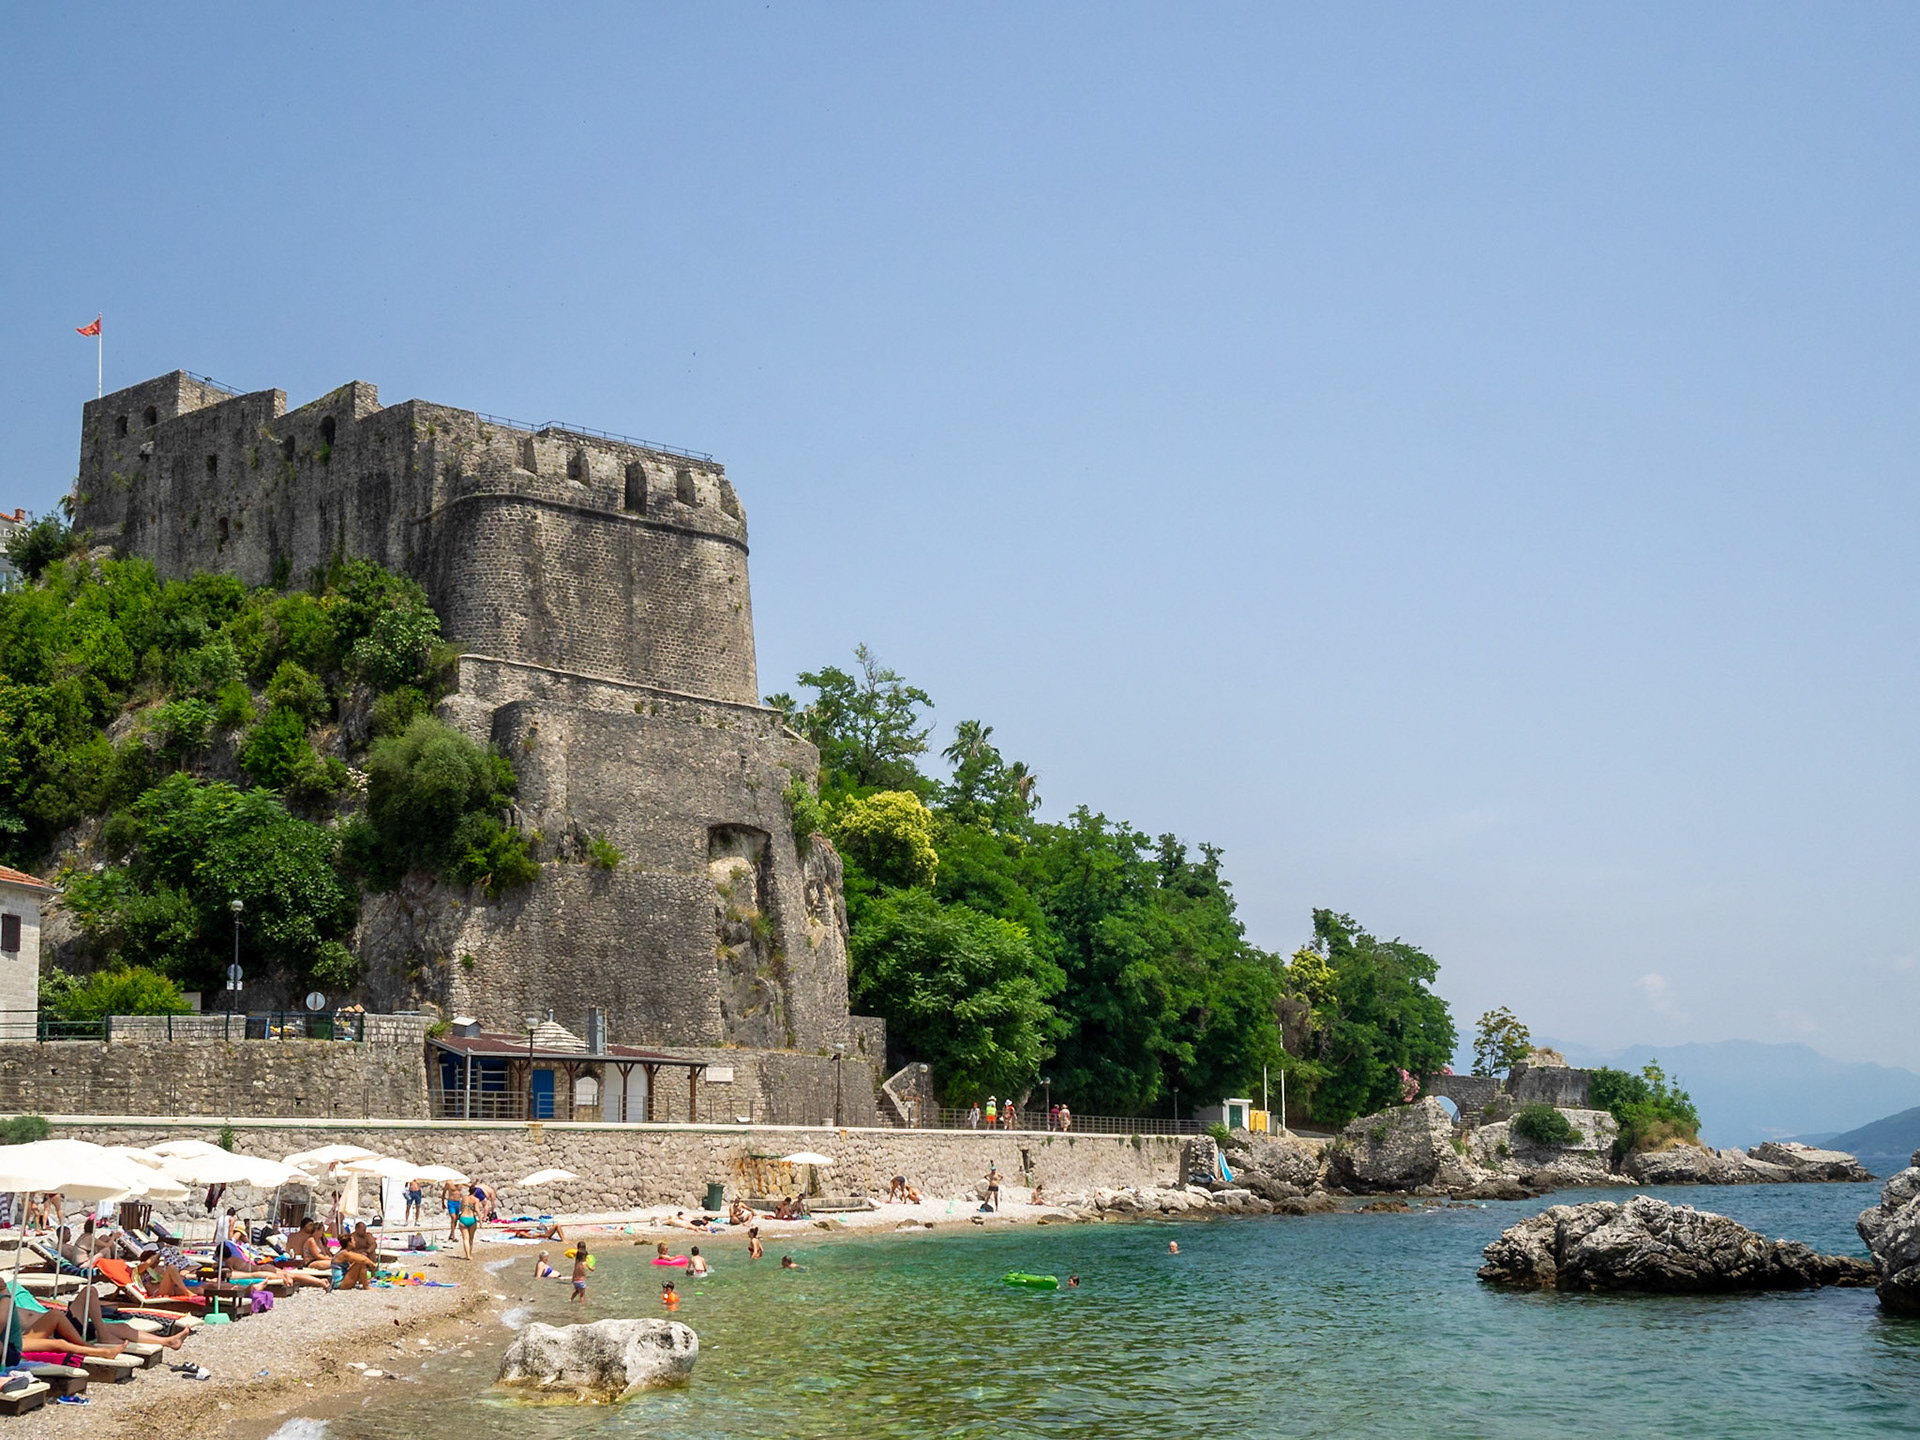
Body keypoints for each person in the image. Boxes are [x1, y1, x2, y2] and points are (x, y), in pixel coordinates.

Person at [455, 1187, 479, 1260]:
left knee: (465, 1239)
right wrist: (480, 1220)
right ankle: (469, 1254)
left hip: (463, 1218)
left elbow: (460, 1209)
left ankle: (467, 1255)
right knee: (471, 1239)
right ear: (475, 1192)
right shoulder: (476, 1199)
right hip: (472, 1219)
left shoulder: (464, 1198)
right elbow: (477, 1210)